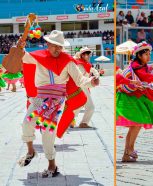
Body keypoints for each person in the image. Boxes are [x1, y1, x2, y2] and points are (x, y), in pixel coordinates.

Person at [17, 30, 99, 177]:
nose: (57, 49)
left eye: (60, 46)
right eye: (54, 45)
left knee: (48, 131)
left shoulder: (68, 61)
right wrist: (20, 47)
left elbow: (80, 80)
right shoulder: (38, 57)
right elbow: (22, 56)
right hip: (40, 98)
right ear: (48, 44)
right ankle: (31, 151)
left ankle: (52, 165)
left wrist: (91, 82)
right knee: (26, 123)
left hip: (56, 100)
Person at [116, 42, 153, 162]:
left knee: (134, 126)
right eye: (146, 54)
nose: (149, 56)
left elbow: (147, 86)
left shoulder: (143, 67)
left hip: (137, 97)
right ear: (139, 55)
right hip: (130, 98)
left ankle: (126, 154)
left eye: (149, 54)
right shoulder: (137, 66)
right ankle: (130, 150)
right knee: (137, 124)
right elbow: (147, 78)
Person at [73, 47, 100, 128]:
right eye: (86, 54)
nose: (88, 56)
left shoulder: (86, 64)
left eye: (89, 54)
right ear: (82, 55)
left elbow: (93, 70)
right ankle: (73, 120)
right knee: (88, 106)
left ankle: (80, 122)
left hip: (84, 87)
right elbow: (79, 78)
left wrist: (97, 75)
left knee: (83, 106)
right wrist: (91, 79)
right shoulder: (79, 65)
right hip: (80, 88)